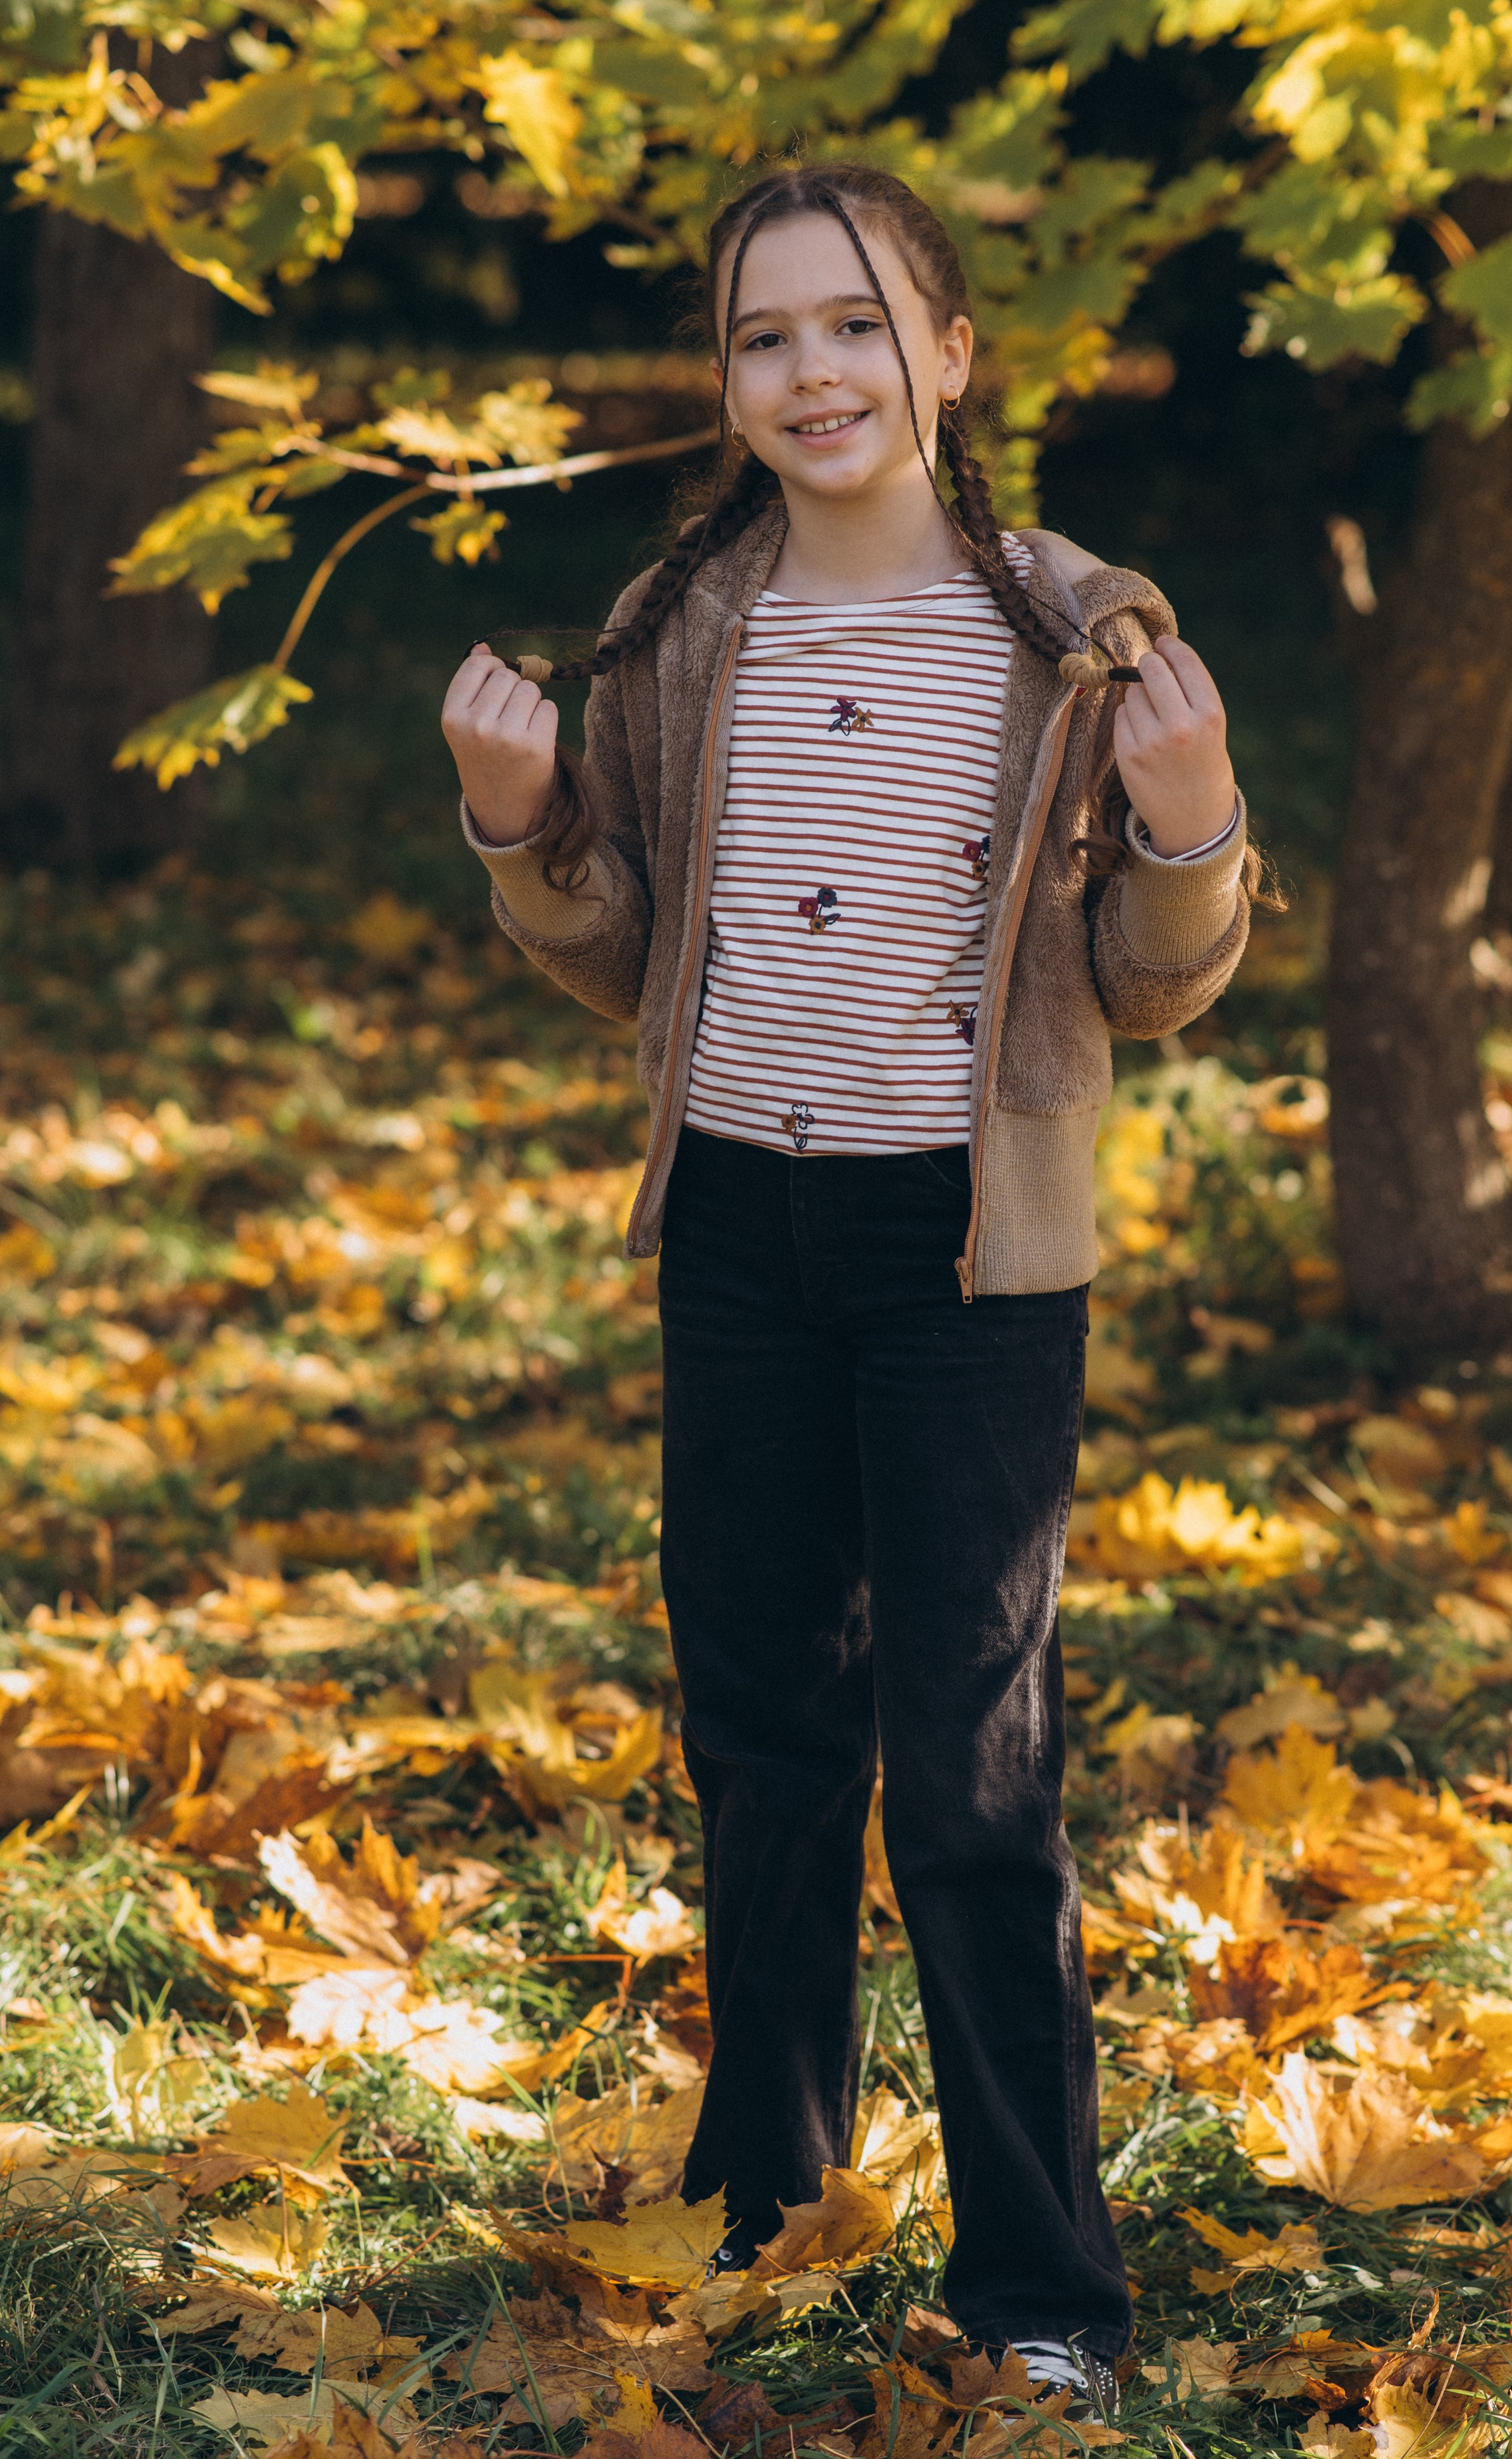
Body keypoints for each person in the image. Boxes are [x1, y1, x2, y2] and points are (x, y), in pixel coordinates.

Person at [441, 162, 1253, 2416]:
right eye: (764, 334)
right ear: (726, 379)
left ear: (951, 354)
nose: (813, 372)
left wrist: (1193, 820)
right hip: (735, 1230)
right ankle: (764, 2191)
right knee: (766, 1735)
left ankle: (1044, 2289)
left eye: (857, 325)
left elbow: (1149, 983)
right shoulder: (685, 621)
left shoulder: (1073, 631)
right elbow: (629, 952)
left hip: (964, 1254)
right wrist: (521, 825)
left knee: (973, 1773)